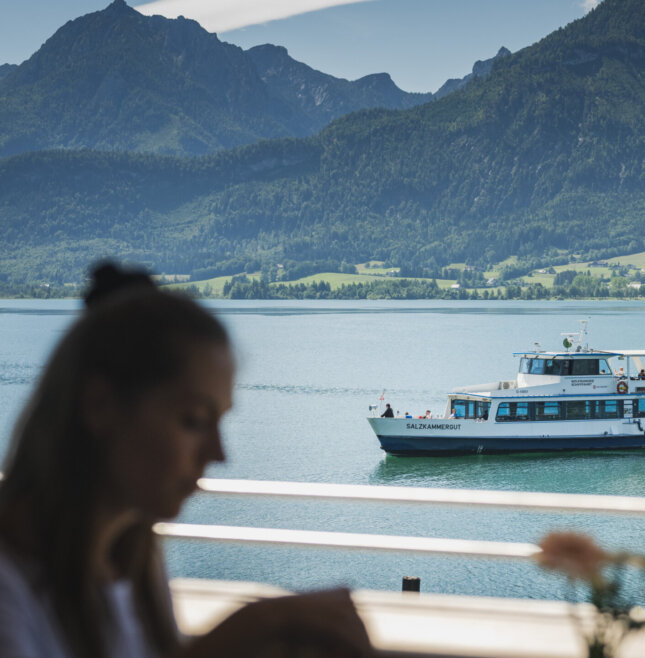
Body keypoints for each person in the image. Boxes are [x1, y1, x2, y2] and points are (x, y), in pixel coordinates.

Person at [0, 263, 372, 658]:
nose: (219, 454)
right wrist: (255, 627)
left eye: (219, 422)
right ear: (100, 405)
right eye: (194, 421)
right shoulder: (11, 588)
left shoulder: (132, 563)